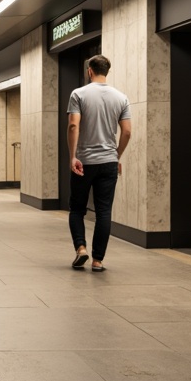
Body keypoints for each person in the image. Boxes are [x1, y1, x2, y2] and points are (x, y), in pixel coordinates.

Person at [67, 54, 131, 272]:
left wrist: (73, 156)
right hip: (108, 162)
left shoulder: (78, 94)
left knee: (77, 208)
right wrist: (116, 155)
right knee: (104, 211)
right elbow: (127, 131)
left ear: (89, 71)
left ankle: (81, 249)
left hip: (83, 162)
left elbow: (73, 126)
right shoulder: (121, 97)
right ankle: (98, 261)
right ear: (106, 71)